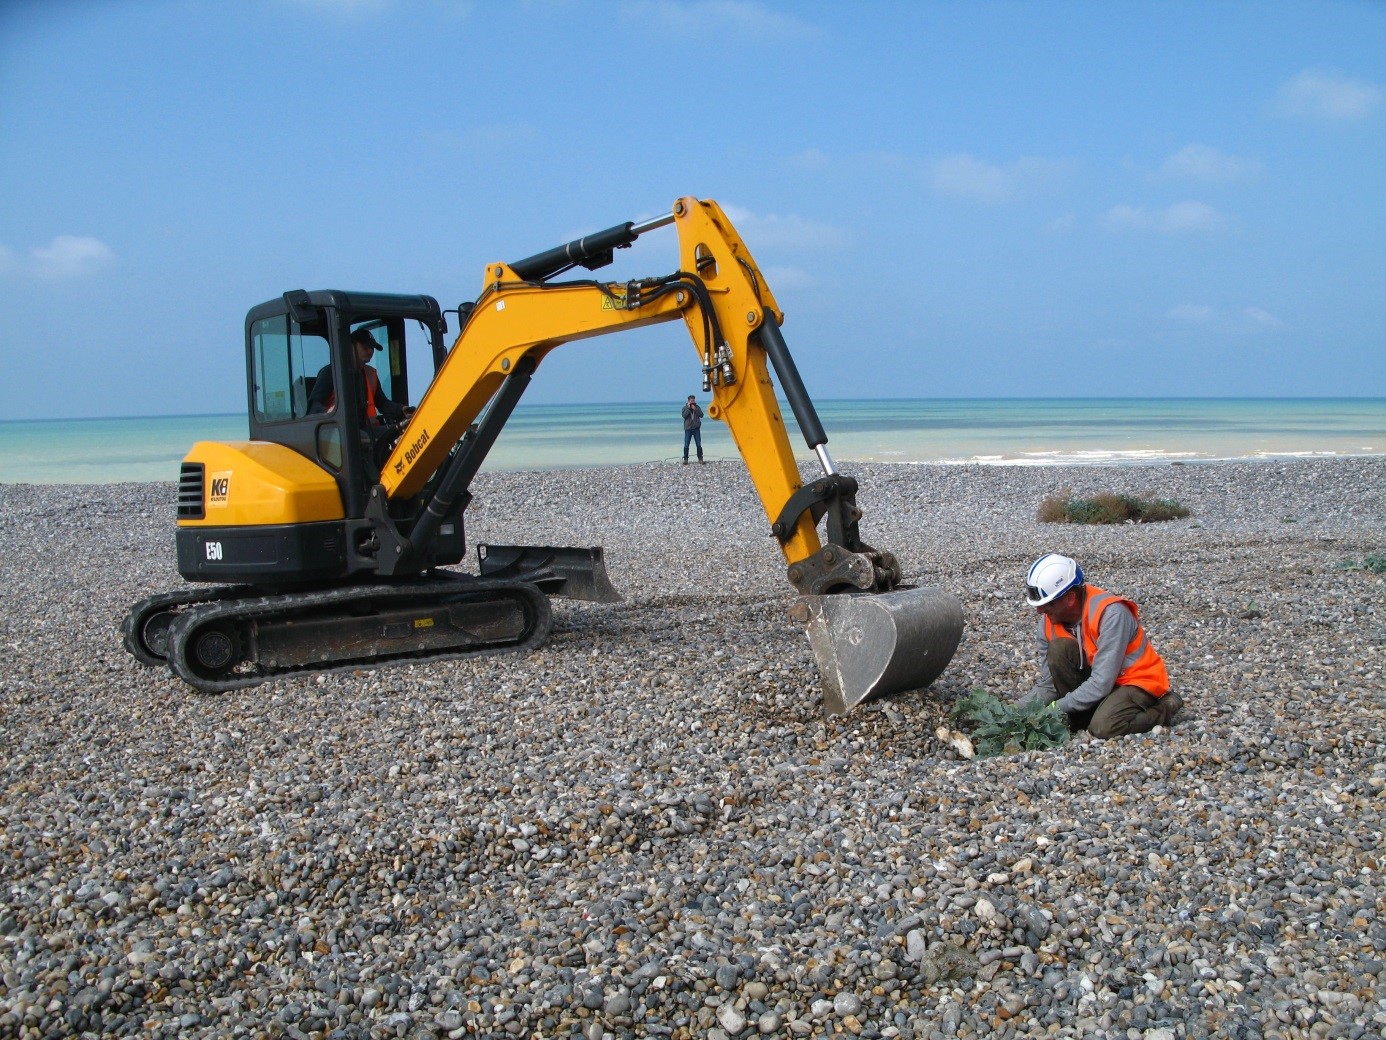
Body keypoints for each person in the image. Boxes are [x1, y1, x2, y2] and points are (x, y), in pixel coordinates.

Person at [1018, 553, 1182, 739]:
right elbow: (1049, 685)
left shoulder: (1111, 614)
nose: (1040, 611)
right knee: (1058, 650)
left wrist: (1056, 708)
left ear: (1070, 598)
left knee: (1103, 728)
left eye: (1047, 604)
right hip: (1102, 682)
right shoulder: (1047, 624)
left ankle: (1166, 707)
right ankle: (1089, 716)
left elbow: (1101, 682)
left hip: (1137, 681)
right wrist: (1016, 711)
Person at [306, 327, 405, 425]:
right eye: (365, 347)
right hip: (336, 432)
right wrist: (331, 413)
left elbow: (383, 403)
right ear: (351, 346)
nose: (370, 351)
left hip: (364, 429)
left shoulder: (370, 374)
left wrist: (401, 410)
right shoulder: (331, 372)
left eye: (372, 348)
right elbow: (313, 407)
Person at [681, 395, 704, 464]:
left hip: (696, 429)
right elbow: (684, 416)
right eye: (691, 401)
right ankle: (685, 459)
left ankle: (700, 459)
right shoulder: (685, 408)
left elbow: (702, 415)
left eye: (693, 400)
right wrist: (688, 408)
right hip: (688, 429)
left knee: (698, 444)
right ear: (688, 401)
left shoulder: (697, 407)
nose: (693, 402)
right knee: (686, 444)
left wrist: (695, 409)